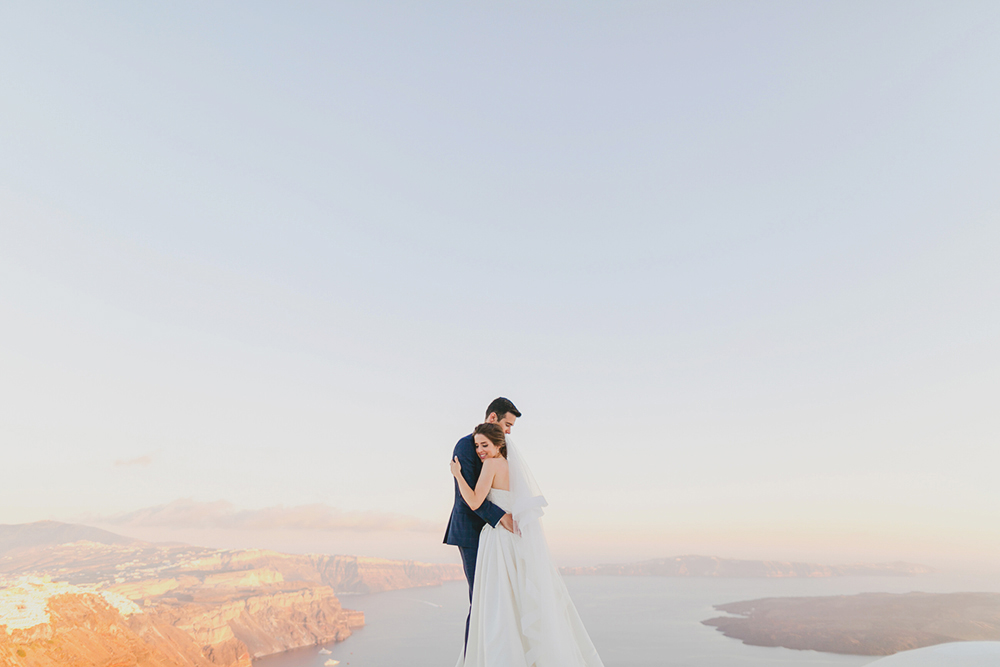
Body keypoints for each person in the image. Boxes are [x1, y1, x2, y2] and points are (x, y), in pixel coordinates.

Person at [450, 422, 604, 667]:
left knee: (498, 602)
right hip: (515, 540)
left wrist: (458, 475)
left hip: (498, 539)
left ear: (499, 444)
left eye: (485, 445)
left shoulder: (490, 464)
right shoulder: (513, 468)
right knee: (518, 597)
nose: (480, 450)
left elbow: (475, 502)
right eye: (478, 445)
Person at [443, 397, 521, 651]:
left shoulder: (500, 452)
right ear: (492, 418)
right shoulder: (466, 446)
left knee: (500, 599)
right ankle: (473, 658)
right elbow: (469, 500)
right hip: (472, 533)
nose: (509, 430)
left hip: (497, 535)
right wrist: (501, 516)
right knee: (479, 600)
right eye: (507, 424)